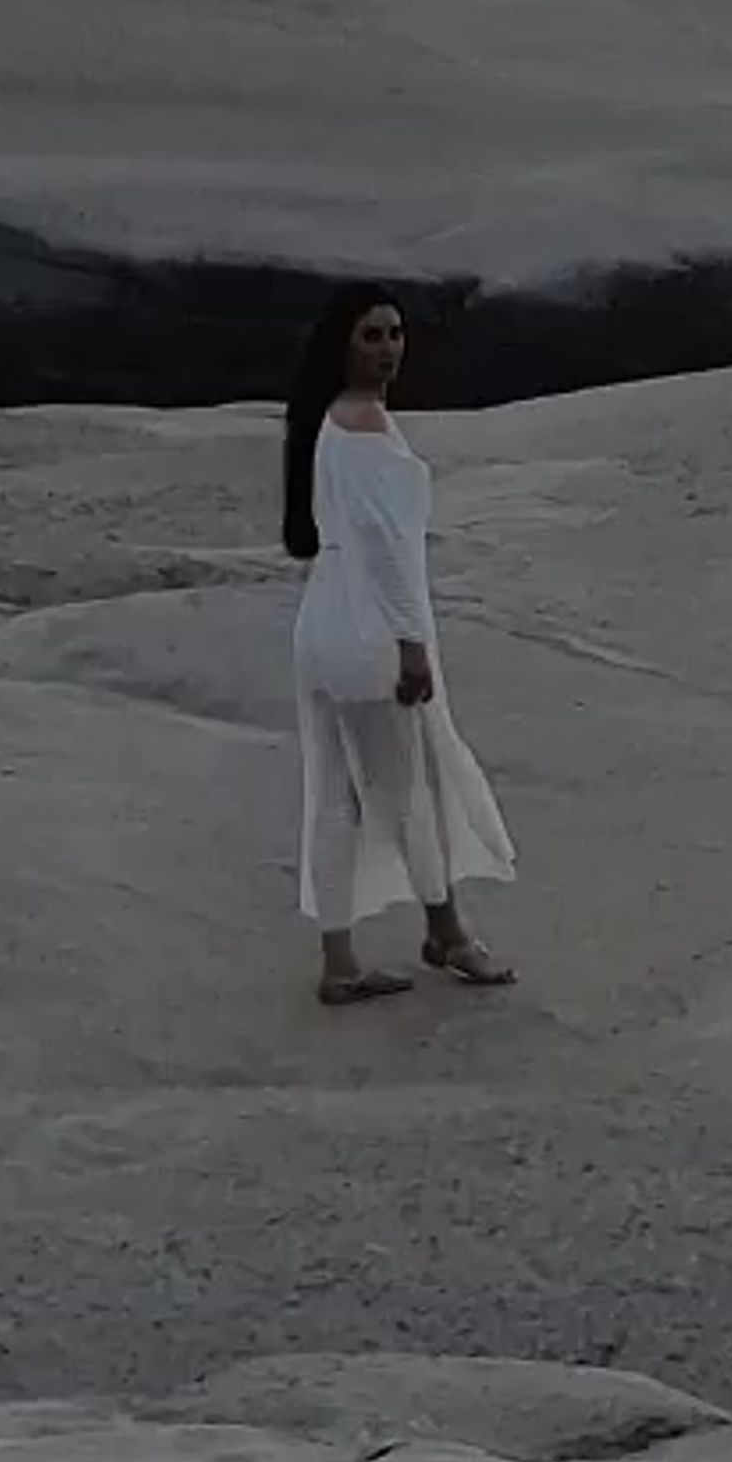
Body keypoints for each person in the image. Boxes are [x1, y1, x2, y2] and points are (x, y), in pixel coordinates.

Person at [279, 289, 517, 1010]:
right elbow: (388, 550)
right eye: (372, 335)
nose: (388, 347)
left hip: (321, 620)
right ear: (344, 345)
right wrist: (414, 644)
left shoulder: (324, 421)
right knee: (408, 788)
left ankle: (340, 957)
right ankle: (447, 933)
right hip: (367, 628)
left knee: (335, 792)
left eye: (395, 333)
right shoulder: (367, 424)